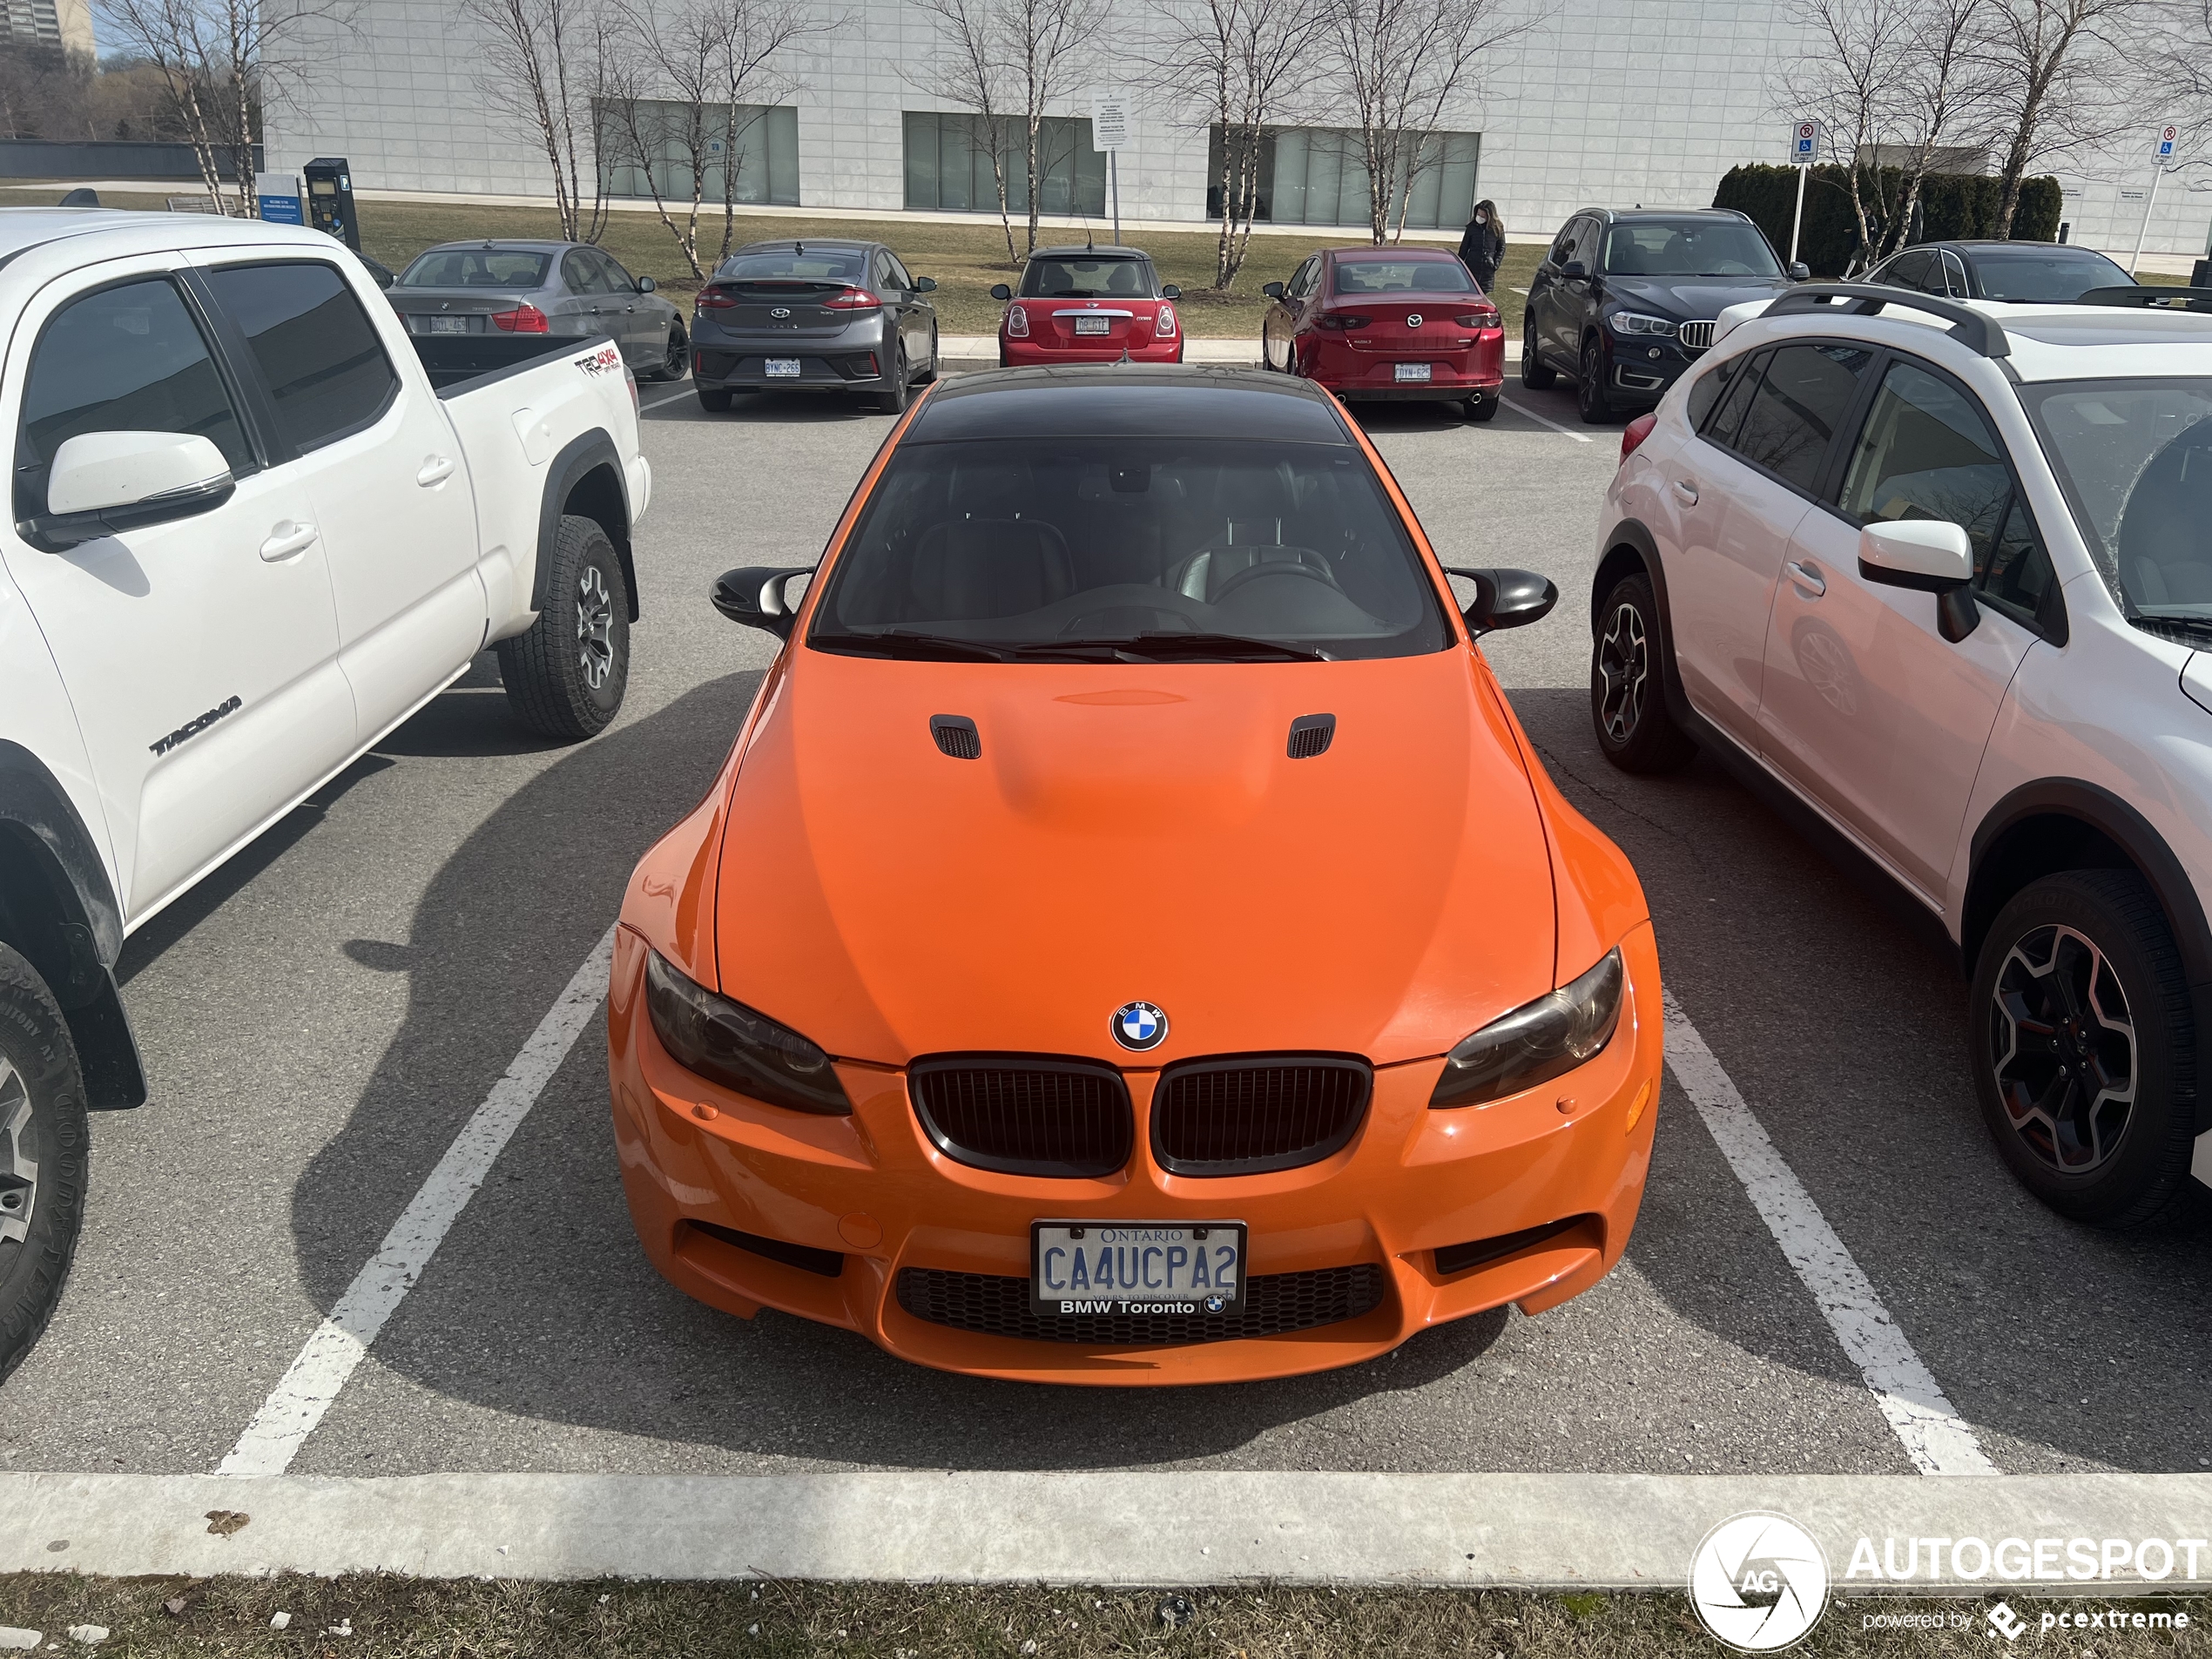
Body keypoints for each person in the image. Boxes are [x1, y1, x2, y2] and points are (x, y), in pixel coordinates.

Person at [1459, 200, 1505, 293]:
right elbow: (1464, 247)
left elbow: (1501, 247)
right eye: (1478, 214)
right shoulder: (1472, 227)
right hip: (1472, 265)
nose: (1480, 217)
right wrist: (1460, 264)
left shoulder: (1497, 228)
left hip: (1487, 269)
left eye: (1483, 216)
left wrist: (1495, 263)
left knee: (1483, 295)